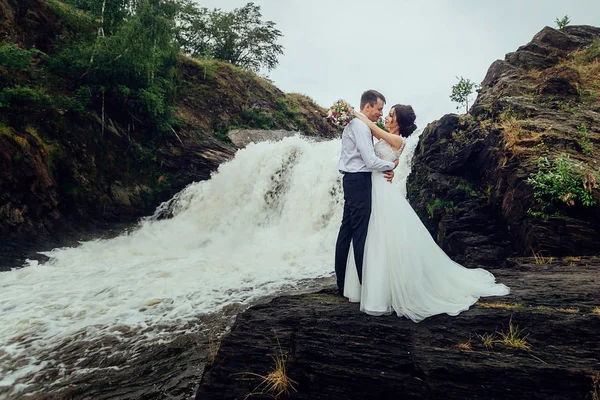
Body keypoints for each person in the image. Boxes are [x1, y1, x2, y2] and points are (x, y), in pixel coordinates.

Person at [343, 104, 510, 322]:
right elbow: (380, 157)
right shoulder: (386, 140)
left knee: (382, 237)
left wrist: (350, 112)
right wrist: (390, 166)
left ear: (399, 122)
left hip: (382, 192)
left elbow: (373, 130)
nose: (386, 116)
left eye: (391, 114)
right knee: (372, 237)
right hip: (372, 188)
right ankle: (373, 287)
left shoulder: (398, 140)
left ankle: (383, 293)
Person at [334, 90, 399, 296]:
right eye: (379, 109)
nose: (381, 113)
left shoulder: (357, 124)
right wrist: (392, 165)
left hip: (353, 180)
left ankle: (343, 282)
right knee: (360, 234)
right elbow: (371, 162)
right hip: (359, 181)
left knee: (347, 231)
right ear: (368, 106)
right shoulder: (361, 127)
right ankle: (364, 285)